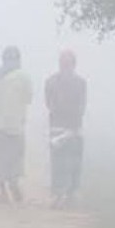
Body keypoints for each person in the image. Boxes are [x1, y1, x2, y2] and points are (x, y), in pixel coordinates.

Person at [0, 45, 34, 203]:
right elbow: (29, 98)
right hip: (17, 125)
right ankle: (14, 182)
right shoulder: (24, 76)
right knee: (15, 158)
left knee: (0, 159)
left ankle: (3, 192)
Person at [45, 49, 87, 208]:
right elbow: (81, 106)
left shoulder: (51, 82)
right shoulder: (80, 83)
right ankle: (65, 194)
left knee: (65, 162)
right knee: (66, 162)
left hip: (63, 126)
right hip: (67, 127)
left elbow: (49, 104)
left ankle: (64, 194)